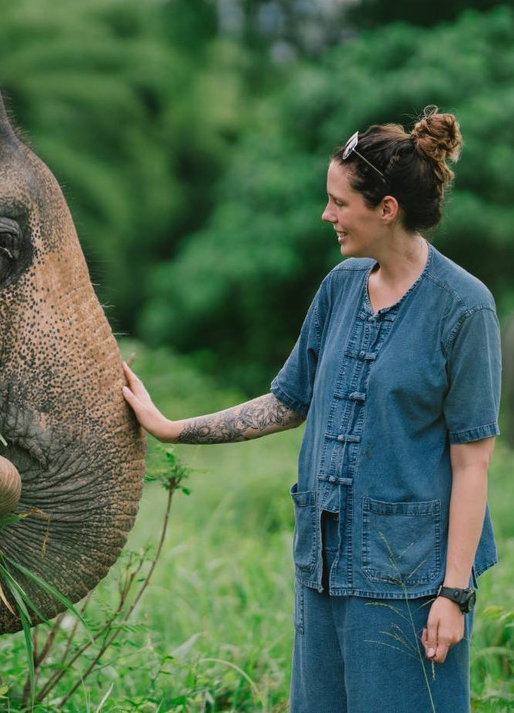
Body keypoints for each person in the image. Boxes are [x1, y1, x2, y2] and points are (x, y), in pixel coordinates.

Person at [122, 107, 498, 712]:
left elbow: (473, 462)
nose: (326, 215)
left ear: (386, 209)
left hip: (408, 584)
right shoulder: (340, 287)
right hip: (323, 570)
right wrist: (173, 427)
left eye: (338, 202)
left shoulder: (464, 308)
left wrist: (453, 593)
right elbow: (287, 401)